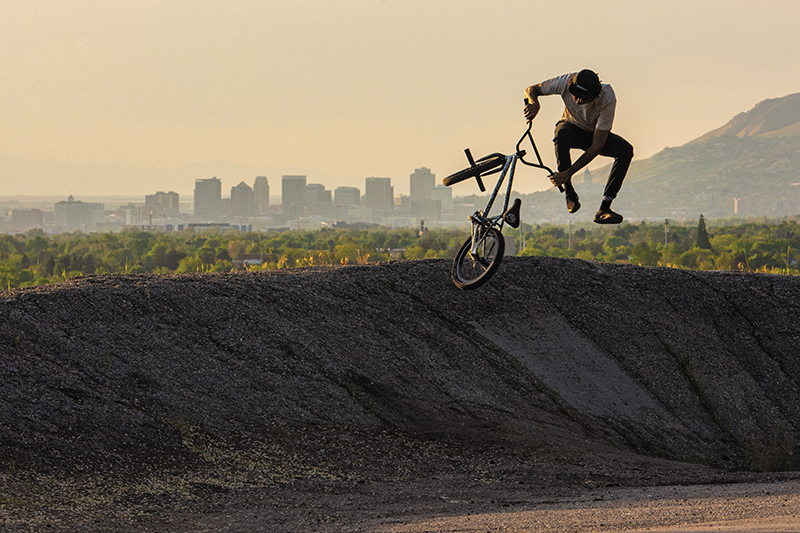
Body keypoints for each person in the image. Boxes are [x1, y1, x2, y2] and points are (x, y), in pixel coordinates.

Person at [523, 69, 633, 224]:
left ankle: (604, 208)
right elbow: (531, 89)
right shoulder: (564, 81)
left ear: (595, 95)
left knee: (626, 151)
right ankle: (569, 193)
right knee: (561, 133)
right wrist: (534, 103)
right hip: (570, 126)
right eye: (576, 96)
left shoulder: (607, 98)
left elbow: (596, 146)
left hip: (592, 134)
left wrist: (569, 172)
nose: (578, 101)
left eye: (584, 99)